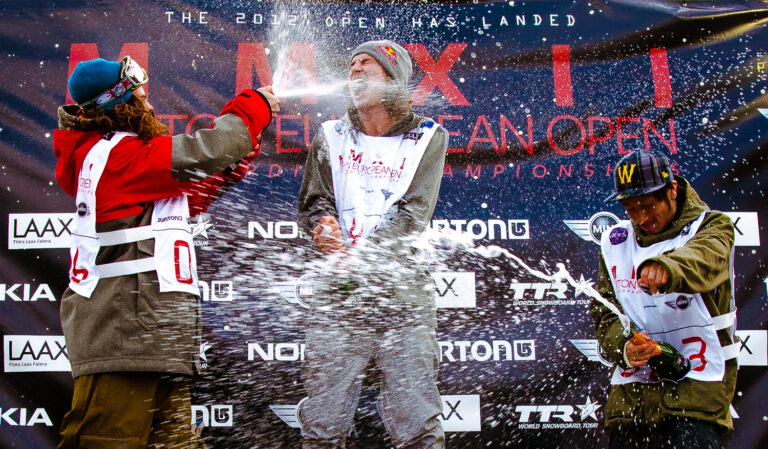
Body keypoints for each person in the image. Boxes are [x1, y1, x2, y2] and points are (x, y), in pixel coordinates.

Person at [53, 55, 279, 448]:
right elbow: (203, 152)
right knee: (102, 442)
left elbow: (190, 195)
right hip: (124, 338)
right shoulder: (118, 157)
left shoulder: (125, 160)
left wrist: (235, 157)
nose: (151, 104)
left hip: (151, 339)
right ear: (119, 104)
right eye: (141, 97)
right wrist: (253, 108)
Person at [297, 40, 448, 449]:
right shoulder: (330, 134)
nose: (356, 69)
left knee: (418, 423)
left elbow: (413, 217)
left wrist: (360, 256)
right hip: (339, 297)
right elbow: (314, 202)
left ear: (393, 79)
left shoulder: (428, 137)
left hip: (403, 297)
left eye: (368, 64)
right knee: (322, 424)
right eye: (352, 65)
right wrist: (323, 224)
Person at [591, 150, 738, 449]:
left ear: (671, 189)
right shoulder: (615, 242)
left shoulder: (712, 226)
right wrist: (625, 346)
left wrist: (667, 267)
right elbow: (605, 310)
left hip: (697, 396)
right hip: (632, 400)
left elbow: (704, 257)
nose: (641, 217)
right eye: (630, 208)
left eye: (647, 205)